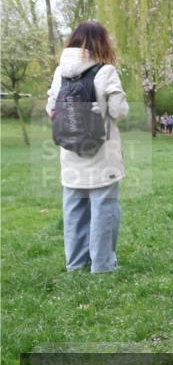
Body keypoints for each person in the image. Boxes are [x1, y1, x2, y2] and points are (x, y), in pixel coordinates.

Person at [45, 20, 129, 274]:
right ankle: (102, 266)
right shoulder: (106, 71)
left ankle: (75, 265)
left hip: (70, 155)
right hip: (102, 155)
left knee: (74, 212)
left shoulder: (60, 72)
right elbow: (118, 111)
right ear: (102, 42)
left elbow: (51, 110)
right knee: (104, 210)